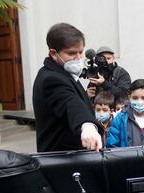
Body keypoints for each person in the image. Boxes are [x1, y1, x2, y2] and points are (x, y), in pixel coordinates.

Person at [33, 23, 103, 152]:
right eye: (71, 53)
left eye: (80, 52)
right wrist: (86, 125)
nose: (78, 58)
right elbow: (69, 102)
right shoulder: (51, 78)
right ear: (53, 53)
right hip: (62, 161)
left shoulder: (64, 73)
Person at [106, 79, 144, 147]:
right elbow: (112, 146)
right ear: (129, 98)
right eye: (135, 98)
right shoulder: (120, 119)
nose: (139, 102)